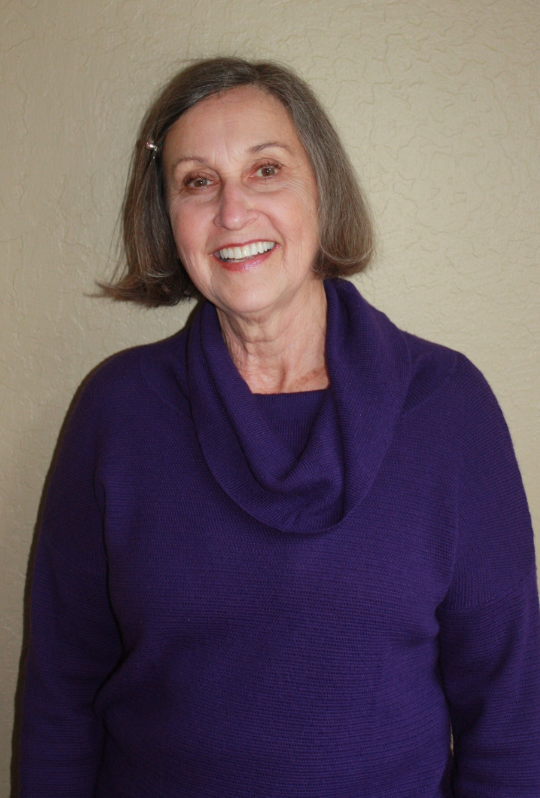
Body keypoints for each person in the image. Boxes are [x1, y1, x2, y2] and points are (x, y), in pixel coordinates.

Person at [19, 57, 540, 797]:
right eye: (197, 181)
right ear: (167, 218)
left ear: (322, 187)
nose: (232, 212)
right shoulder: (116, 412)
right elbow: (60, 695)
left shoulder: (448, 408)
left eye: (266, 170)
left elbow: (511, 715)